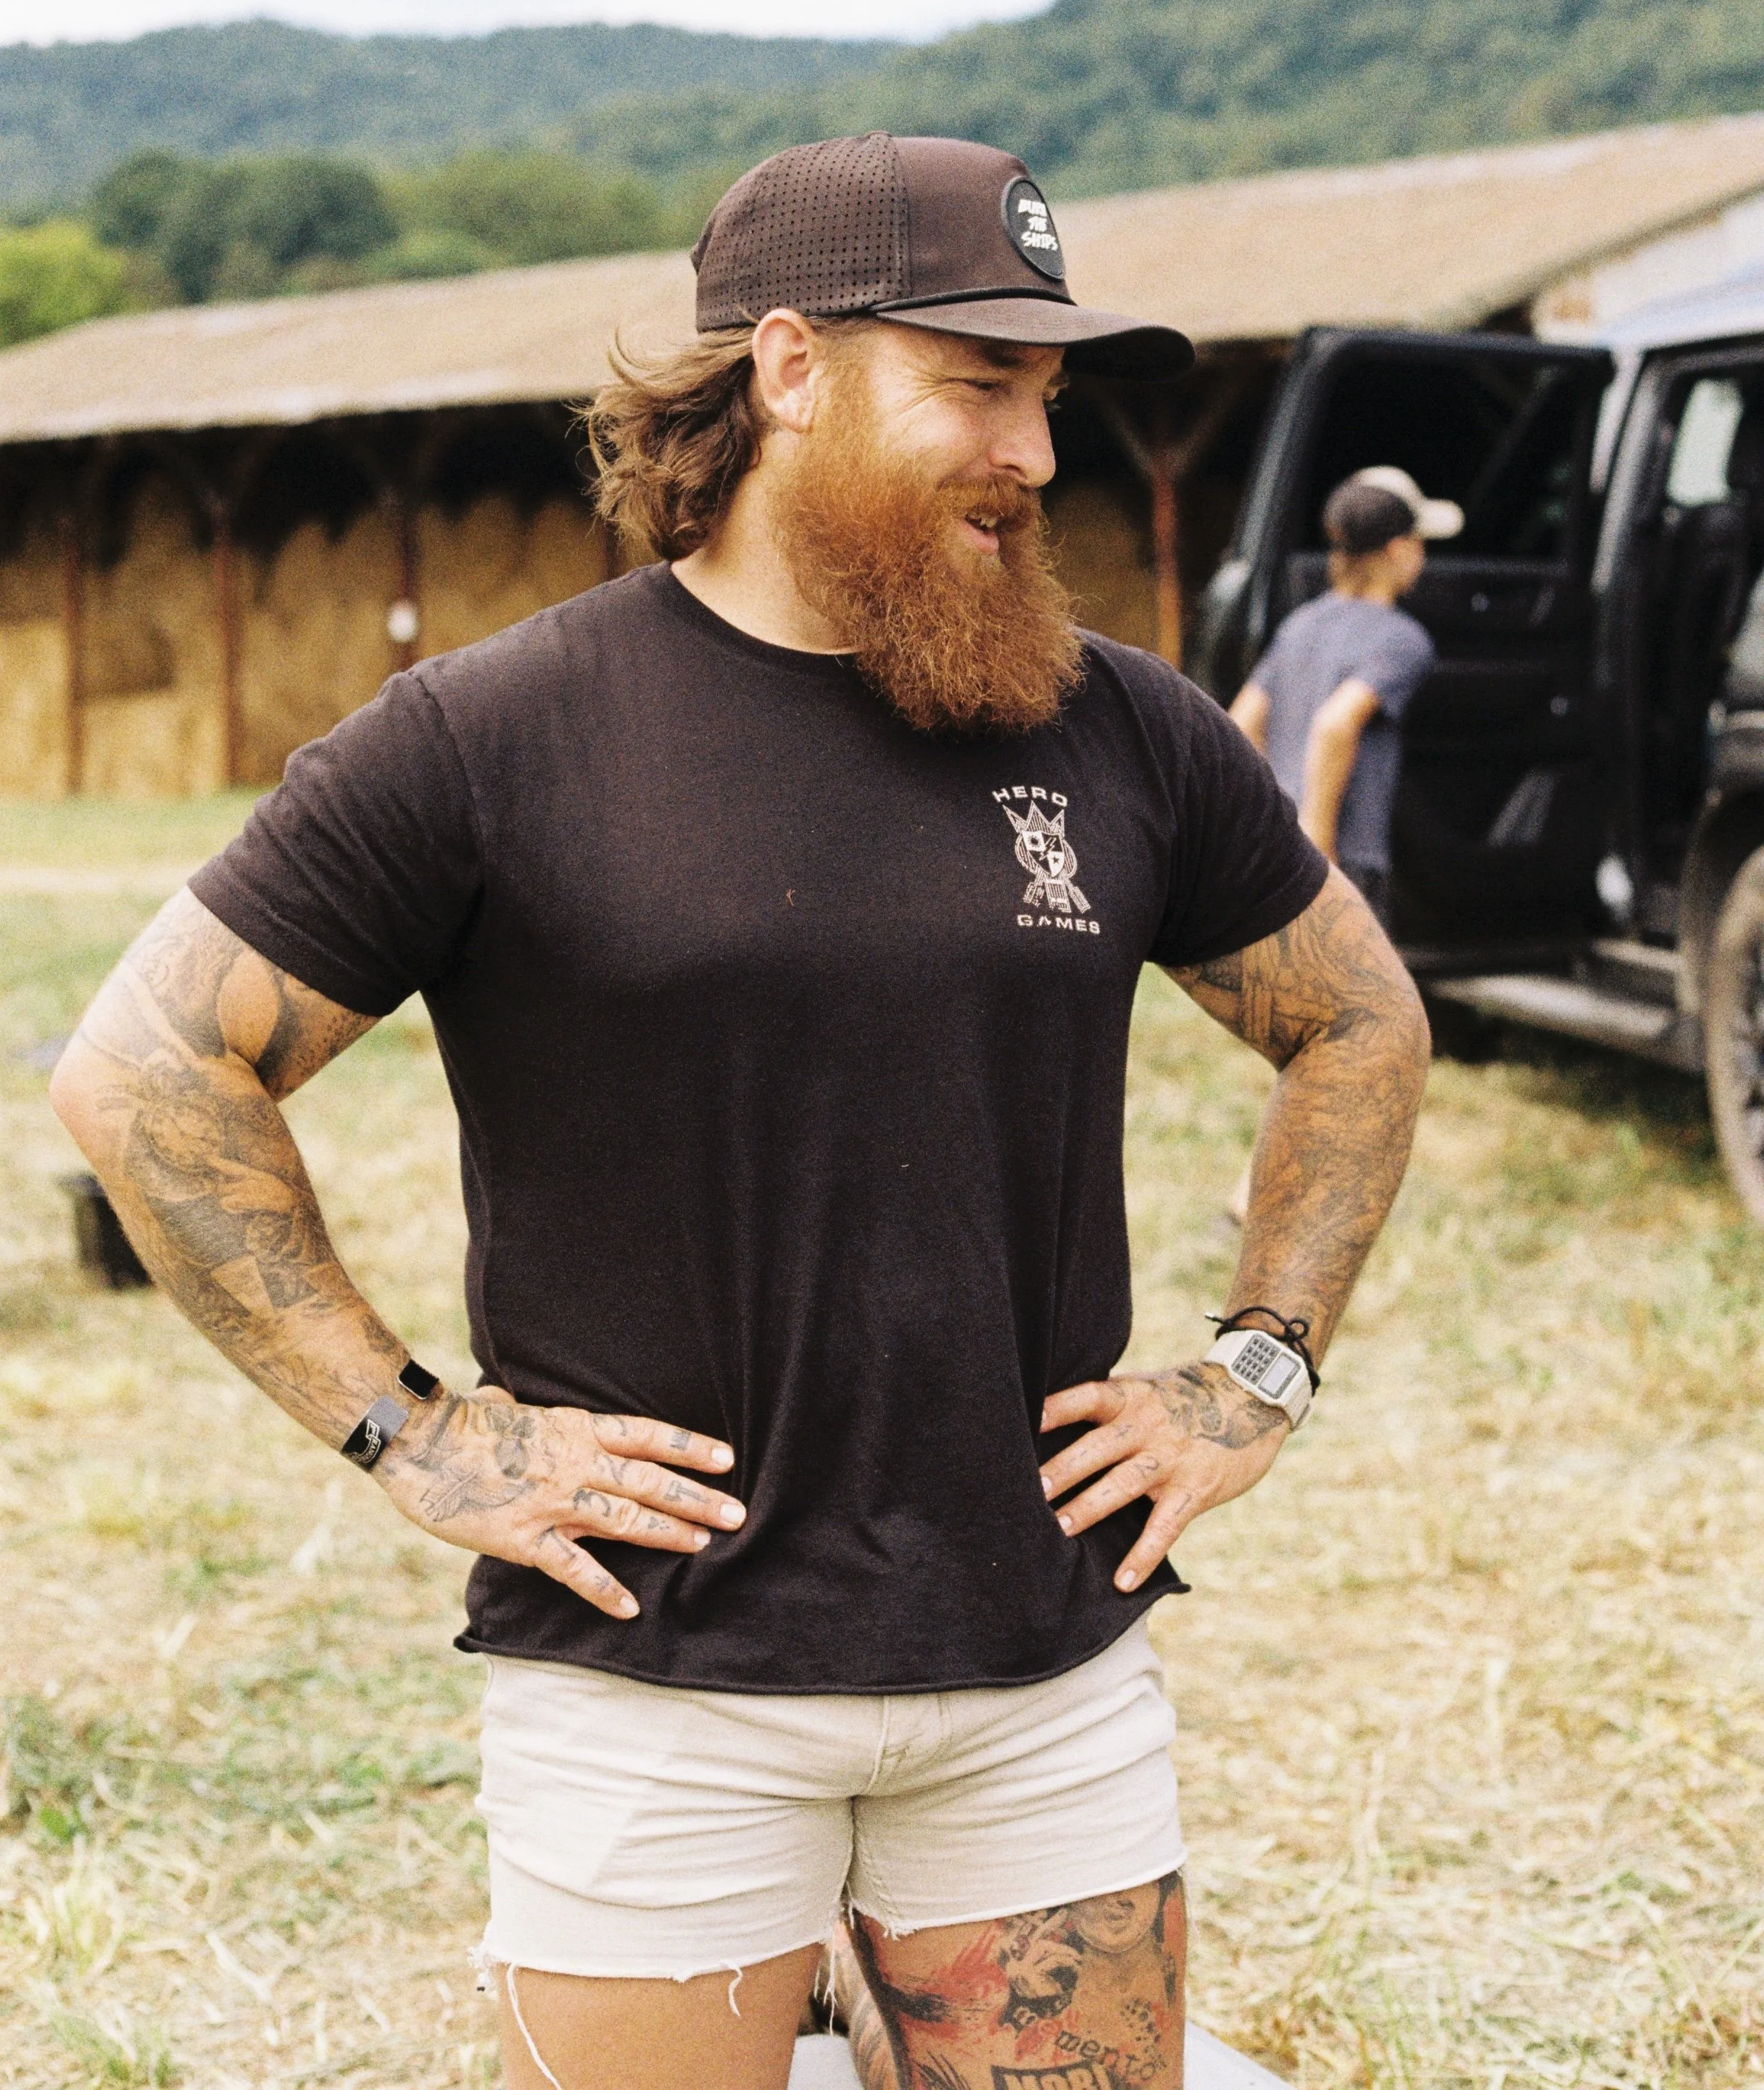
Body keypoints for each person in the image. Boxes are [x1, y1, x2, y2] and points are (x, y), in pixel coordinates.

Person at [52, 134, 1430, 2090]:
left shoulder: (1120, 726)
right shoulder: (495, 736)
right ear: (788, 368)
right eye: (978, 383)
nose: (1034, 452)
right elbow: (141, 1067)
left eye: (1046, 395)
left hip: (1039, 1671)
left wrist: (1259, 1369)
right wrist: (409, 1428)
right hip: (655, 1692)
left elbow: (1360, 1018)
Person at [1229, 468, 1462, 927]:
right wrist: (1321, 861)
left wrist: (1268, 830)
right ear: (1398, 549)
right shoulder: (1402, 638)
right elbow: (1335, 724)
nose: (1422, 555)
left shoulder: (1299, 625)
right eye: (1419, 543)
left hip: (1279, 852)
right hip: (1342, 858)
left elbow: (1241, 723)